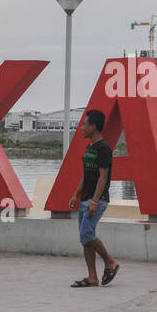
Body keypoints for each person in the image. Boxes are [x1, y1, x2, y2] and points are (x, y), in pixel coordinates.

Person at [68, 109, 119, 287]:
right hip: (86, 199)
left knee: (86, 234)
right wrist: (76, 193)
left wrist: (95, 202)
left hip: (97, 200)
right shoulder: (90, 147)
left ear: (94, 126)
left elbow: (103, 177)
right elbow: (87, 175)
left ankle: (110, 261)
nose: (81, 127)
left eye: (84, 124)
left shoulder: (103, 148)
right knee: (85, 240)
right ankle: (92, 277)